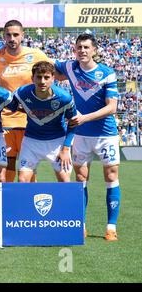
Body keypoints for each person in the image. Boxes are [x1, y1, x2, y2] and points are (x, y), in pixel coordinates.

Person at [55, 34, 121, 241]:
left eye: (86, 47)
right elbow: (47, 66)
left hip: (105, 134)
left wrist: (84, 118)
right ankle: (80, 224)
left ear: (94, 50)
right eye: (78, 48)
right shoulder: (69, 67)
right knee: (81, 179)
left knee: (111, 177)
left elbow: (112, 107)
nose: (82, 51)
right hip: (81, 136)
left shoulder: (107, 73)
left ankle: (111, 227)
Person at [0, 20, 50, 182]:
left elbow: (49, 80)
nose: (12, 38)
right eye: (8, 35)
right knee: (8, 163)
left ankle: (29, 202)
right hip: (5, 120)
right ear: (3, 36)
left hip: (31, 120)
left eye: (15, 35)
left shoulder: (37, 55)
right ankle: (6, 201)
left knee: (28, 167)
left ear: (22, 35)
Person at [8, 61, 77, 183]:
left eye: (46, 77)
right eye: (38, 77)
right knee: (23, 180)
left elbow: (73, 123)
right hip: (31, 141)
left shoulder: (64, 98)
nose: (42, 81)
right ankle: (26, 203)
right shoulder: (22, 93)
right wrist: (29, 111)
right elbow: (12, 106)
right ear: (32, 78)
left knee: (65, 181)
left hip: (57, 142)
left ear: (53, 78)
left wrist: (66, 149)